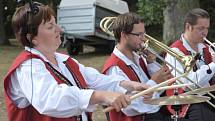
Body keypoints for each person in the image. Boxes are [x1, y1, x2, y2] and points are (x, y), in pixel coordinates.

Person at [4, 2, 149, 121]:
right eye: (50, 26)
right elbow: (52, 99)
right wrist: (100, 96)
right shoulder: (27, 67)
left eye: (56, 24)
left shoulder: (64, 60)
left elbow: (96, 80)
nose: (58, 29)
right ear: (31, 38)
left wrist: (130, 85)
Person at [101, 12, 173, 121]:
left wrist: (151, 63)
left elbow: (162, 88)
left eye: (144, 34)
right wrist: (153, 82)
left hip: (156, 114)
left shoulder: (139, 57)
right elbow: (131, 107)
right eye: (139, 35)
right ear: (124, 35)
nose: (144, 39)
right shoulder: (114, 67)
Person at [165, 8, 215, 121]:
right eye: (201, 28)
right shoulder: (175, 51)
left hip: (207, 97)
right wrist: (213, 65)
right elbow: (188, 84)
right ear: (188, 27)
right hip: (187, 103)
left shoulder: (206, 48)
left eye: (207, 28)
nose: (205, 33)